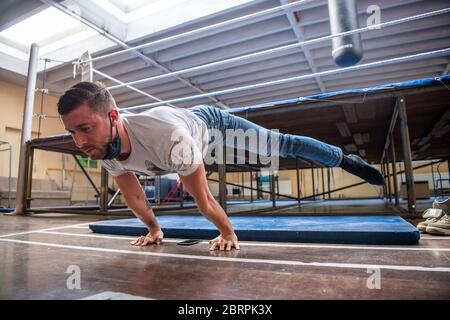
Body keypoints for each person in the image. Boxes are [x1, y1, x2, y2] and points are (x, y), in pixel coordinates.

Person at [57, 82, 385, 251]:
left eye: (86, 128)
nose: (80, 142)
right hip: (183, 137)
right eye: (73, 132)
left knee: (281, 144)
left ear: (113, 117)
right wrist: (154, 229)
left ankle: (342, 158)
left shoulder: (168, 138)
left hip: (212, 124)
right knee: (181, 173)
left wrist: (227, 232)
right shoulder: (104, 147)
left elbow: (205, 200)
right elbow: (134, 196)